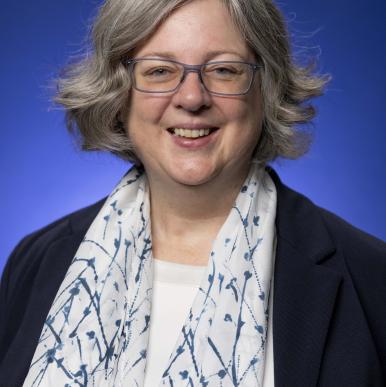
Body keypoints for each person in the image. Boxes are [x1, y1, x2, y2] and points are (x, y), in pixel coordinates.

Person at [0, 0, 385, 385]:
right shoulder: (36, 262)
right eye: (160, 71)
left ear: (265, 89)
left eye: (223, 70)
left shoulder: (371, 276)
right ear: (119, 93)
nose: (191, 98)